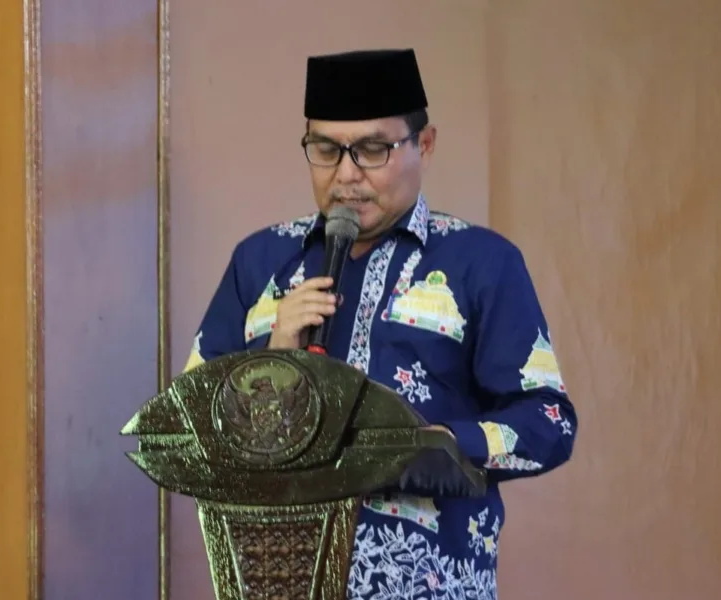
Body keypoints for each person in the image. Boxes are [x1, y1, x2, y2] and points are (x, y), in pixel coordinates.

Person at [183, 48, 577, 600]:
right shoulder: (261, 262)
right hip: (280, 580)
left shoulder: (482, 263)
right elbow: (189, 431)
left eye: (372, 150)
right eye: (326, 150)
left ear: (425, 144)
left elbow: (550, 424)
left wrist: (437, 444)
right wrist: (272, 359)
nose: (347, 175)